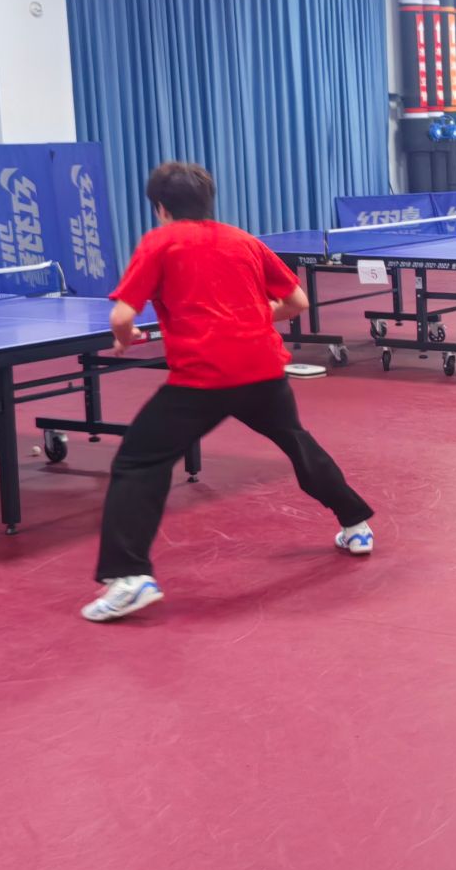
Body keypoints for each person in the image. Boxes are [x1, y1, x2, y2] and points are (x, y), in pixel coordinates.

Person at [85, 161, 375, 623]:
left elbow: (122, 316)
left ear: (160, 208)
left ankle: (129, 577)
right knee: (296, 442)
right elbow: (297, 303)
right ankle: (356, 525)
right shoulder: (243, 240)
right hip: (263, 369)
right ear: (208, 201)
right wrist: (252, 317)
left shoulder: (160, 241)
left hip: (203, 378)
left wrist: (124, 340)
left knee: (138, 463)